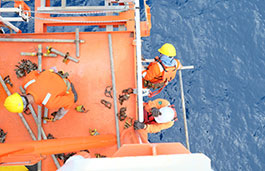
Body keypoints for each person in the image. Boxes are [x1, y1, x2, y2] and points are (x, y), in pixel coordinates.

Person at [4, 68, 78, 121]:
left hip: (66, 83)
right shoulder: (26, 83)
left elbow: (70, 100)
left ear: (24, 108)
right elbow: (36, 72)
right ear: (18, 94)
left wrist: (59, 115)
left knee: (74, 98)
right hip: (55, 73)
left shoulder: (50, 103)